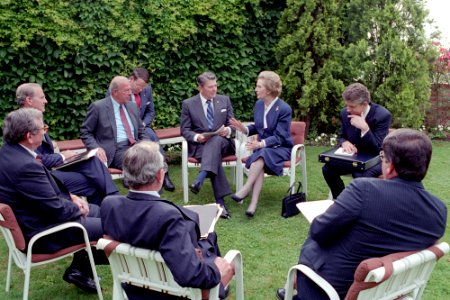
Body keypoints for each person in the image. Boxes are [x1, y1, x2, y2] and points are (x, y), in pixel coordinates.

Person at [276, 128, 447, 300]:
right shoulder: (439, 211)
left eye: (382, 158)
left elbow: (319, 232)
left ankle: (296, 293)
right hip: (388, 290)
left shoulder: (364, 189)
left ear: (390, 167)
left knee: (317, 229)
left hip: (332, 287)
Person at [100, 141, 233, 299]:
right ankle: (217, 291)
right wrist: (217, 270)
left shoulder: (109, 205)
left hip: (134, 285)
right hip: (170, 292)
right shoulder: (167, 217)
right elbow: (190, 275)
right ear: (159, 175)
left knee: (210, 237)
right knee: (218, 251)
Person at [0, 108, 107, 293]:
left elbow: (43, 194)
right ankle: (129, 275)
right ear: (29, 136)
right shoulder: (24, 165)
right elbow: (56, 209)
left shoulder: (9, 153)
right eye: (43, 128)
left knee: (103, 212)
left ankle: (80, 269)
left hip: (39, 220)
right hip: (45, 233)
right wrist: (78, 209)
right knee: (113, 226)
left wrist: (72, 198)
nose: (45, 131)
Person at [16, 83, 119, 205]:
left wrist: (65, 156)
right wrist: (63, 156)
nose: (46, 101)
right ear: (29, 100)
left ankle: (112, 202)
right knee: (94, 182)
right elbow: (36, 160)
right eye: (42, 97)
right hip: (43, 176)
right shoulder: (21, 123)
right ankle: (113, 204)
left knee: (91, 160)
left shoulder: (32, 118)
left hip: (52, 168)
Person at [81, 75, 175, 191]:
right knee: (142, 162)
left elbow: (141, 131)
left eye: (130, 90)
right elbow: (85, 132)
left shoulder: (132, 106)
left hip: (135, 145)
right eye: (126, 91)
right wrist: (96, 148)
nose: (130, 93)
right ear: (115, 92)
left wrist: (147, 143)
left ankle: (154, 192)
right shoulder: (98, 107)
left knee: (155, 153)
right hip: (115, 150)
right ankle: (151, 195)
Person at [230, 71, 293, 217]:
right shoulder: (259, 104)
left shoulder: (284, 109)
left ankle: (246, 189)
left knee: (261, 154)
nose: (255, 89)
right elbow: (259, 127)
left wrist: (260, 144)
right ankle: (252, 204)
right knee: (260, 157)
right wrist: (244, 129)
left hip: (281, 148)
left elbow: (280, 136)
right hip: (264, 149)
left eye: (259, 87)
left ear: (269, 90)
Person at [180, 71, 236, 219]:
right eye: (210, 87)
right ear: (200, 87)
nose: (214, 89)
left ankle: (201, 177)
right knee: (213, 154)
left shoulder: (224, 100)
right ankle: (220, 203)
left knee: (216, 140)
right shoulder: (188, 104)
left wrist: (228, 130)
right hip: (201, 147)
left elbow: (234, 125)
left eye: (215, 86)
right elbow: (185, 130)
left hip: (224, 144)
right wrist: (197, 137)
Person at [323, 82, 392, 199]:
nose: (348, 110)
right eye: (347, 105)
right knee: (328, 169)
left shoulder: (382, 116)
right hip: (353, 156)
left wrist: (365, 129)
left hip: (375, 158)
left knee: (359, 174)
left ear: (364, 104)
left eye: (352, 106)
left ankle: (362, 206)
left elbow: (378, 148)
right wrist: (344, 142)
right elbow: (342, 136)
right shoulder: (345, 113)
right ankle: (340, 200)